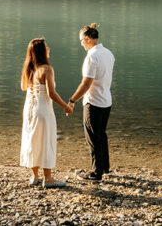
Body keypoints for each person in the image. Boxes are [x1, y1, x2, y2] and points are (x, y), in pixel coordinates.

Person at [19, 37, 74, 188]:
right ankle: (48, 179)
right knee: (46, 141)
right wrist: (66, 106)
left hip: (29, 109)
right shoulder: (47, 69)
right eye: (46, 47)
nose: (49, 48)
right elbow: (51, 94)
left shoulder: (30, 69)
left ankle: (35, 176)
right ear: (42, 52)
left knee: (32, 140)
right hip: (43, 110)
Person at [65, 23, 115, 182]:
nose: (80, 44)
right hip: (106, 100)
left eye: (81, 40)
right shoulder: (108, 53)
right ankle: (105, 168)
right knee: (101, 135)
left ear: (87, 39)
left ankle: (95, 173)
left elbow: (86, 84)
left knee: (93, 138)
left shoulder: (92, 57)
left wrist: (72, 100)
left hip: (93, 102)